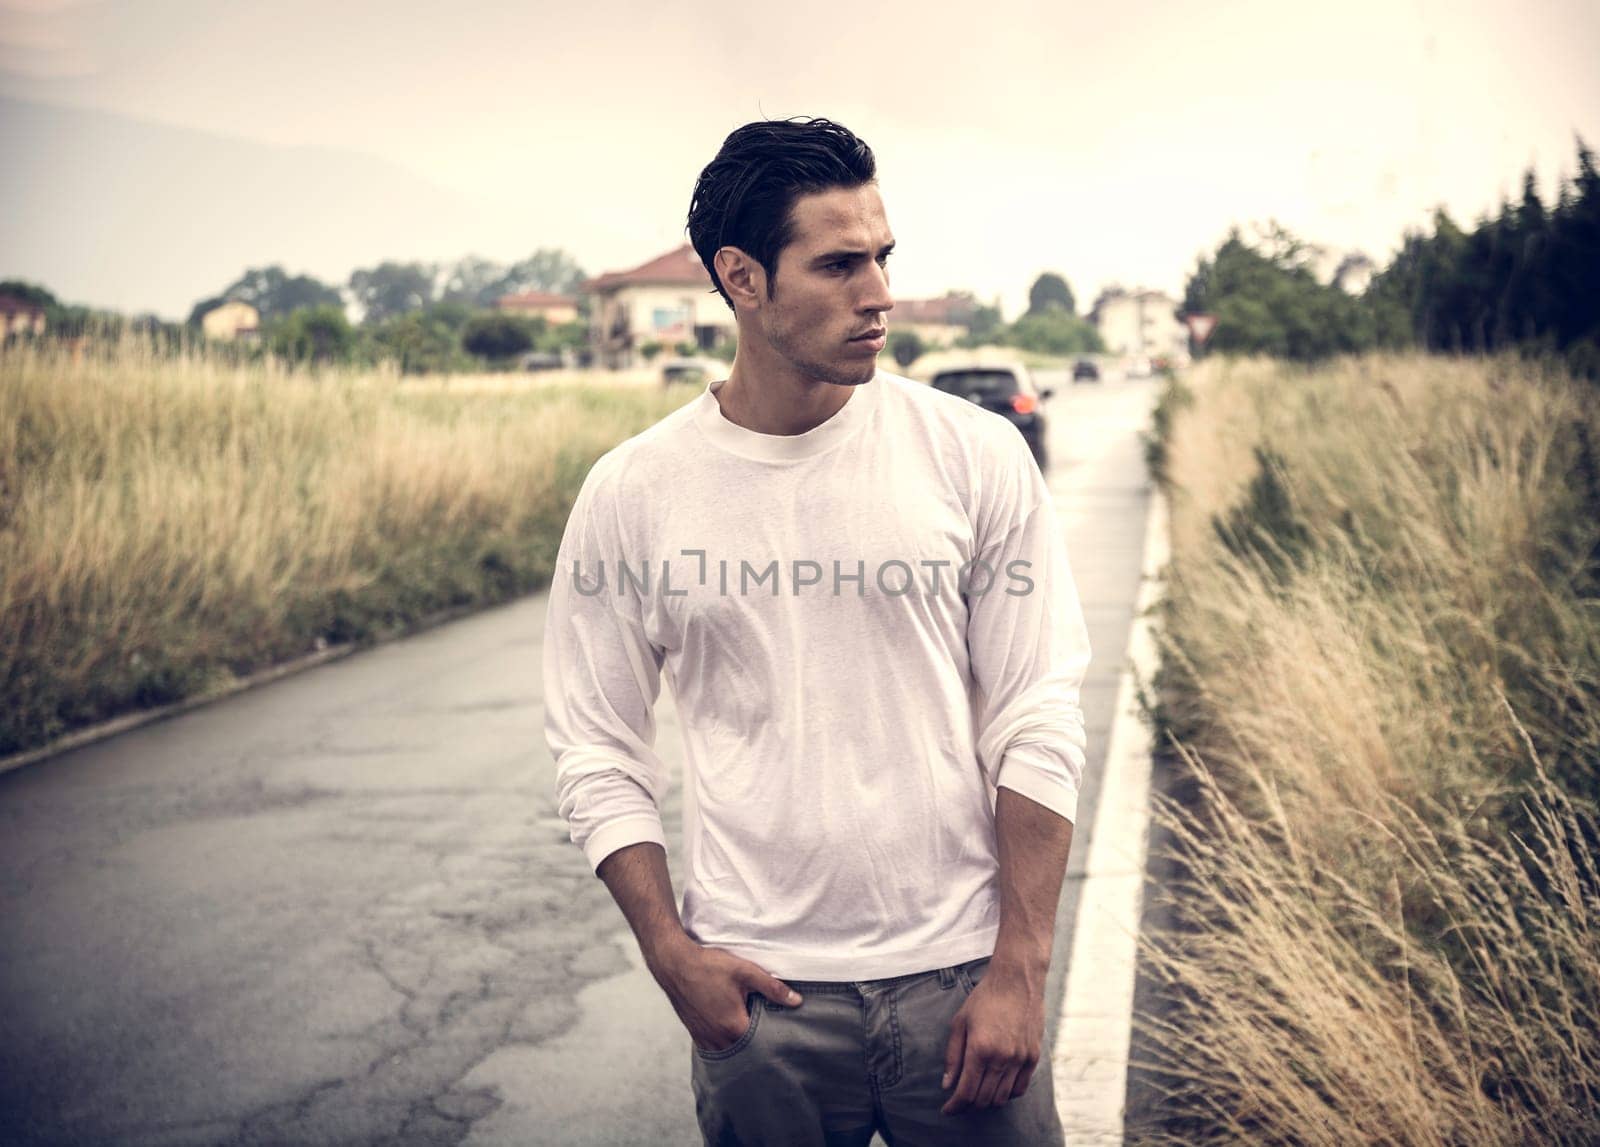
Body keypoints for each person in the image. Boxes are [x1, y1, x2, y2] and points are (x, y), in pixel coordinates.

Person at [543, 117, 1091, 1145]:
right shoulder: (634, 493)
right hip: (761, 1003)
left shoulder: (973, 456)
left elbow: (1038, 713)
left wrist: (1019, 968)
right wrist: (673, 957)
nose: (878, 292)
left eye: (882, 257)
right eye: (838, 265)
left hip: (963, 985)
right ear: (741, 278)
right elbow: (596, 747)